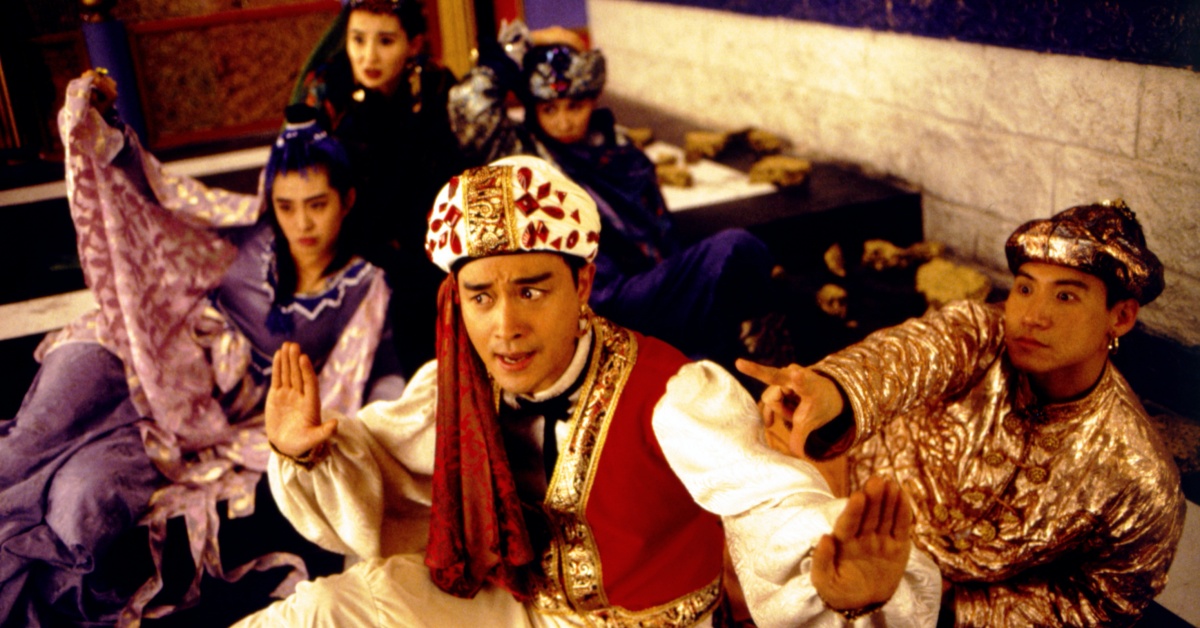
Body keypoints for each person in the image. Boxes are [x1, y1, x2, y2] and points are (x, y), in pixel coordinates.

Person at [233, 155, 941, 627]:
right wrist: (305, 453)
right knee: (316, 614)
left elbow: (771, 499)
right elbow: (374, 455)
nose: (505, 327)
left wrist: (835, 580)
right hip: (512, 608)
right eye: (481, 297)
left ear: (583, 285)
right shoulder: (456, 385)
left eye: (531, 290)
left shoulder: (673, 394)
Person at [0, 70, 405, 626]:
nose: (301, 223)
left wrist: (386, 428)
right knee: (31, 439)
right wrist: (106, 122)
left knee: (79, 510)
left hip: (200, 423)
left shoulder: (363, 288)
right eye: (286, 205)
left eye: (317, 204)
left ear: (347, 200)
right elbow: (152, 197)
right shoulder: (248, 232)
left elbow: (380, 375)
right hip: (137, 353)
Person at [740, 200, 1186, 626]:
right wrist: (835, 390)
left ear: (1121, 317)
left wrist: (934, 603)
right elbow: (908, 356)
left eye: (1065, 296)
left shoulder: (1140, 479)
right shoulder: (980, 335)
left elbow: (1100, 603)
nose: (1031, 315)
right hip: (848, 493)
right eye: (1025, 288)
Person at [449, 22, 782, 368]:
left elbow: (661, 231)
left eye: (575, 106)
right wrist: (524, 43)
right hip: (593, 300)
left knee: (730, 274)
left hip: (648, 285)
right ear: (533, 109)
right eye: (549, 109)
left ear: (593, 101)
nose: (563, 121)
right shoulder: (524, 155)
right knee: (733, 248)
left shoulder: (618, 147)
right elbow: (468, 103)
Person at [294, 0, 462, 374]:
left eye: (385, 41)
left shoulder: (434, 86)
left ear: (413, 44)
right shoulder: (327, 90)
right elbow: (311, 182)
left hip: (423, 235)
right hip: (348, 234)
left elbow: (447, 176)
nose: (368, 56)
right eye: (358, 40)